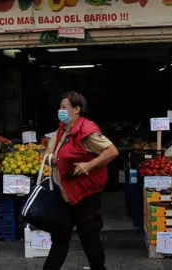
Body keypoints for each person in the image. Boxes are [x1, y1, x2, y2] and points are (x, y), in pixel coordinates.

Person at [43, 91, 119, 270]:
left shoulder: (87, 130)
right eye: (60, 107)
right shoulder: (62, 129)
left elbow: (112, 151)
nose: (60, 111)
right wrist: (51, 158)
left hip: (85, 194)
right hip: (63, 193)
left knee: (89, 237)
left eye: (64, 107)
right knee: (60, 237)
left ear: (76, 109)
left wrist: (88, 165)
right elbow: (48, 150)